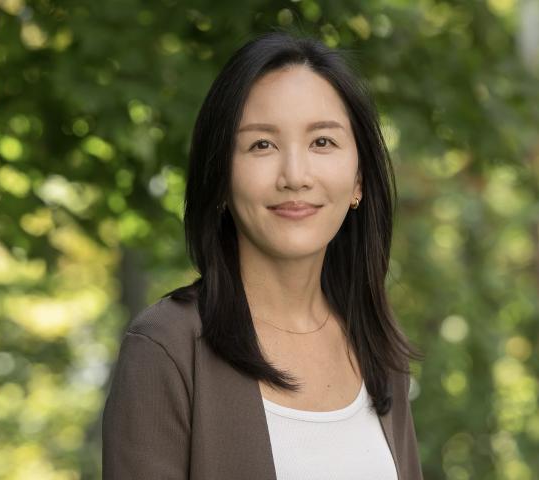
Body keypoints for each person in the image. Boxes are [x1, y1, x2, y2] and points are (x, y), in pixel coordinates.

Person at [102, 30, 423, 480]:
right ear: (221, 179)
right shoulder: (166, 348)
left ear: (359, 181)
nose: (295, 175)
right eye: (261, 145)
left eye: (322, 142)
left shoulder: (378, 348)